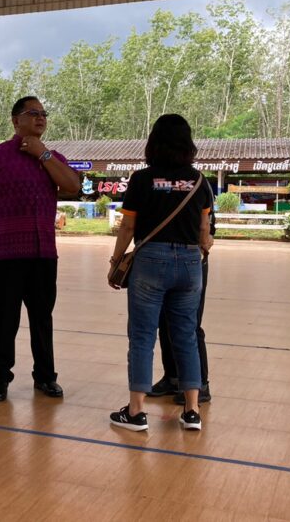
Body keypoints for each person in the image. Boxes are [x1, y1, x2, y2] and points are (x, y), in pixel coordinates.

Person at [0, 96, 81, 402]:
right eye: (33, 113)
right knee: (3, 319)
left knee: (42, 318)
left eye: (44, 113)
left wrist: (43, 154)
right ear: (16, 120)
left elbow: (73, 185)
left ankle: (45, 377)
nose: (41, 118)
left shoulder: (53, 157)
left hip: (43, 253)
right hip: (5, 255)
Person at [107, 113, 213, 432]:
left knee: (142, 336)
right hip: (190, 263)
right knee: (186, 335)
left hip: (151, 261)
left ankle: (136, 412)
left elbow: (128, 227)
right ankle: (192, 411)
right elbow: (204, 232)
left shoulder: (142, 179)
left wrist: (116, 261)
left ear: (154, 142)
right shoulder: (199, 181)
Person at [148, 209, 215, 404]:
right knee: (165, 320)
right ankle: (173, 378)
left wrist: (205, 242)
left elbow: (207, 226)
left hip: (191, 260)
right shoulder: (160, 191)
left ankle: (201, 385)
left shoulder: (200, 191)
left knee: (190, 324)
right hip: (163, 258)